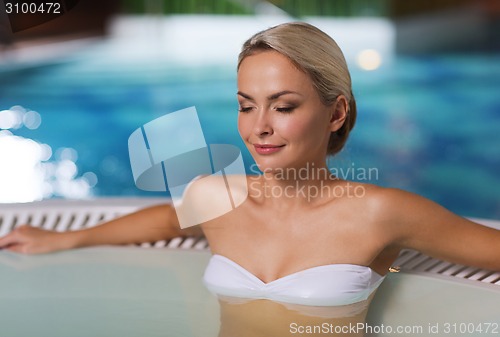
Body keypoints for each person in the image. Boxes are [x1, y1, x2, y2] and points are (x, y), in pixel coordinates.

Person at [1, 22, 499, 336]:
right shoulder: (217, 197)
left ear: (335, 113)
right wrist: (67, 238)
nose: (258, 126)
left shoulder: (380, 213)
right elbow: (163, 221)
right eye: (245, 106)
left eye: (283, 107)